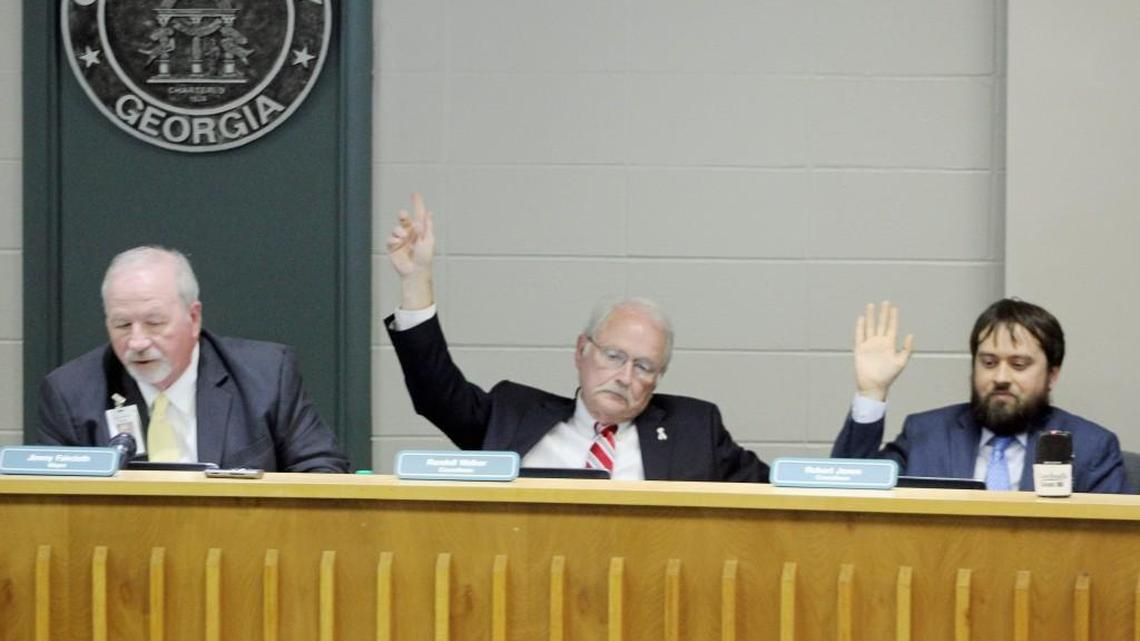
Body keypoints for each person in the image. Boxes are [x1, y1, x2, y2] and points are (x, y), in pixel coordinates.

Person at [384, 194, 769, 482]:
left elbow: (780, 491)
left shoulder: (695, 430)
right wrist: (417, 283)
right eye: (615, 356)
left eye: (645, 366)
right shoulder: (511, 414)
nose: (626, 376)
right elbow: (436, 392)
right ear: (582, 350)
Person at [38, 246, 349, 472]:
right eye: (121, 325)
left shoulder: (266, 376)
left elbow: (323, 471)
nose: (137, 341)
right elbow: (50, 504)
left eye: (155, 323)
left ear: (193, 317)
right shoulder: (71, 393)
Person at [831, 300, 1128, 493]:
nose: (1000, 377)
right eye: (988, 362)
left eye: (1018, 364)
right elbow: (848, 489)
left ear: (1052, 374)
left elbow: (1112, 550)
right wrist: (872, 391)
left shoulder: (1092, 448)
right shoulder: (925, 434)